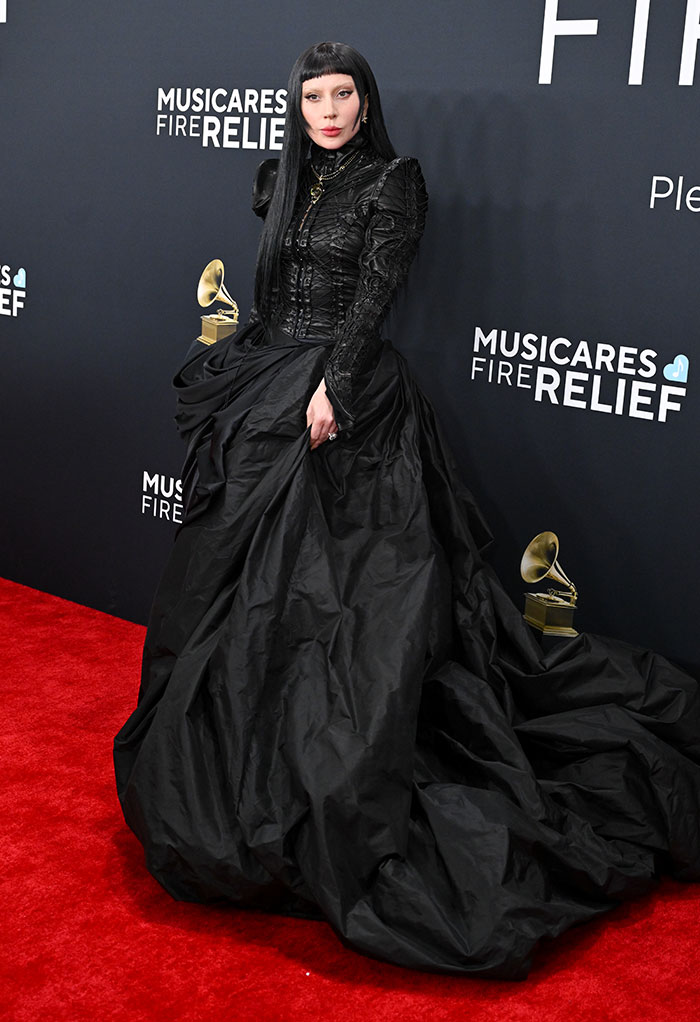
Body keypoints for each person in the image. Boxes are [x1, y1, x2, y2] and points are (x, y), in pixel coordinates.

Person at [113, 41, 700, 980]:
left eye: (345, 93)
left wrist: (334, 391)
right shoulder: (282, 178)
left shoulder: (394, 182)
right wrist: (265, 377)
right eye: (315, 95)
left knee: (343, 603)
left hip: (344, 402)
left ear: (366, 99)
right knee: (234, 589)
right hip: (272, 380)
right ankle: (232, 762)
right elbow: (277, 290)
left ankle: (333, 776)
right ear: (296, 105)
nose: (331, 109)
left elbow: (373, 299)